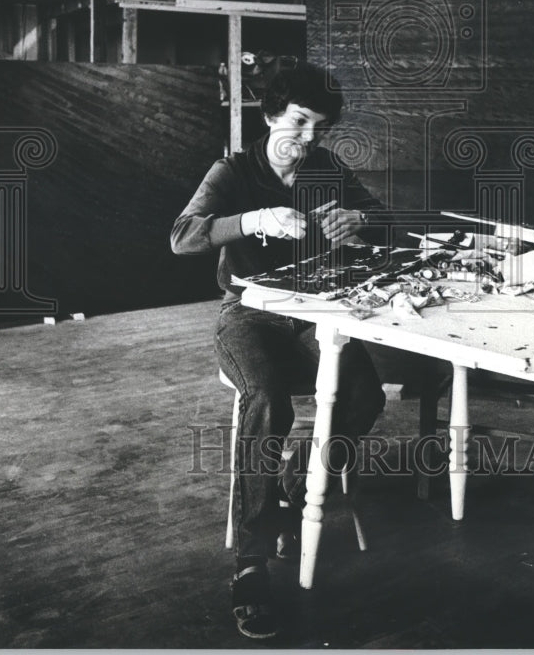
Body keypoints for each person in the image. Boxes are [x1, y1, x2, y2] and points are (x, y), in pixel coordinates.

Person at [171, 61, 388, 640]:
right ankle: (250, 564)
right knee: (268, 399)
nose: (308, 138)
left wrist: (359, 217)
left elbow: (388, 224)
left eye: (319, 126)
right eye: (298, 121)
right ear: (270, 116)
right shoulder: (234, 170)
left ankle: (289, 495)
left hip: (316, 311)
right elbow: (183, 235)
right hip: (249, 312)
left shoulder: (326, 169)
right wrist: (253, 219)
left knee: (365, 396)